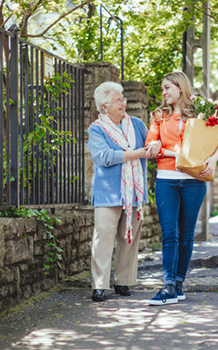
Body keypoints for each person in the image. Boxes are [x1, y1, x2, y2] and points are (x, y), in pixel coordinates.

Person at [145, 72, 218, 305]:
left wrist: (213, 159)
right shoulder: (159, 116)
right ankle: (168, 286)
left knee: (186, 235)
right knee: (169, 235)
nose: (163, 92)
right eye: (162, 89)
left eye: (167, 87)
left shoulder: (200, 111)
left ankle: (179, 284)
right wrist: (167, 149)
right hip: (166, 180)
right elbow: (150, 146)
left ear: (180, 88)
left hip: (194, 181)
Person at [88, 81, 154, 302]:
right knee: (103, 238)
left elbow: (152, 143)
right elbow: (104, 157)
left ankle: (123, 281)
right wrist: (134, 154)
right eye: (118, 100)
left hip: (133, 193)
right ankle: (99, 285)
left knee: (129, 239)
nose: (123, 104)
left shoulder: (136, 124)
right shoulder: (97, 129)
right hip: (107, 194)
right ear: (104, 106)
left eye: (123, 99)